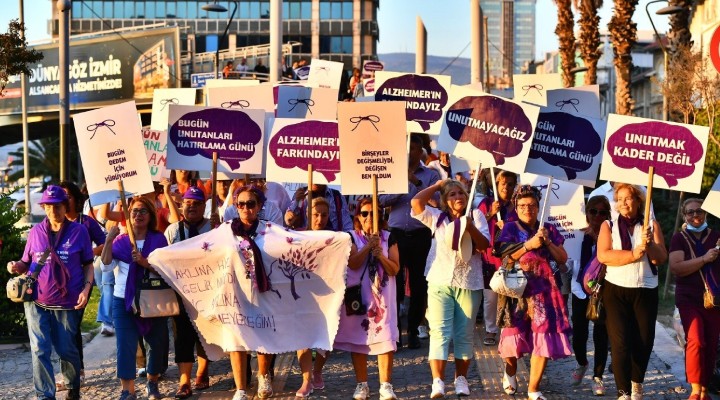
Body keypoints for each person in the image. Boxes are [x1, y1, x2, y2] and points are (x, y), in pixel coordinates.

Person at [6, 185, 95, 400]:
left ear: (66, 207)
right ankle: (45, 395)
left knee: (67, 349)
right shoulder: (36, 232)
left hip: (67, 302)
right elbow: (27, 262)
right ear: (44, 207)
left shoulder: (79, 231)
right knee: (39, 349)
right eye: (48, 206)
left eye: (57, 206)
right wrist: (16, 266)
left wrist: (86, 288)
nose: (53, 211)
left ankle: (73, 384)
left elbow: (88, 265)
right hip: (37, 300)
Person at [411, 179, 490, 398]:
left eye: (461, 193)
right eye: (452, 194)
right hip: (439, 280)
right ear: (446, 200)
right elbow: (416, 203)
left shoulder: (476, 216)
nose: (458, 198)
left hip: (469, 282)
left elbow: (484, 245)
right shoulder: (438, 218)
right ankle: (438, 381)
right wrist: (437, 185)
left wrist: (470, 226)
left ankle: (461, 379)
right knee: (439, 332)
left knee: (464, 334)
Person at [494, 184, 572, 400]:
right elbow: (505, 257)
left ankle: (533, 389)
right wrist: (528, 245)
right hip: (516, 291)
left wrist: (546, 241)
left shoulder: (548, 229)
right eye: (522, 205)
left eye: (531, 205)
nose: (527, 209)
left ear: (539, 207)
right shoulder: (509, 228)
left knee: (543, 337)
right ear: (516, 208)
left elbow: (562, 258)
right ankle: (510, 371)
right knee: (513, 340)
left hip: (544, 292)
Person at [597, 183, 667, 400]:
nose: (624, 203)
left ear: (638, 201)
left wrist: (649, 246)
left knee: (644, 341)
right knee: (620, 344)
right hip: (616, 289)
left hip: (645, 289)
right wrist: (633, 254)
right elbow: (604, 256)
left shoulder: (651, 225)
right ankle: (623, 392)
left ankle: (637, 382)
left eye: (629, 198)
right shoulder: (608, 225)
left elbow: (660, 258)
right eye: (620, 199)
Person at [101, 196, 170, 400]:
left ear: (151, 215)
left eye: (143, 211)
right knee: (125, 345)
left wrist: (144, 262)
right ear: (128, 216)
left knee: (156, 343)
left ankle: (153, 382)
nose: (138, 215)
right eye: (134, 212)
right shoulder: (121, 241)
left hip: (152, 298)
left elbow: (166, 269)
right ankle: (127, 390)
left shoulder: (159, 239)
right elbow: (106, 265)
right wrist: (108, 240)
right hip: (123, 300)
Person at [379, 133, 441, 349]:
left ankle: (413, 330)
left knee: (418, 285)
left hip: (420, 235)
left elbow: (437, 202)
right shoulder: (392, 172)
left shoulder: (431, 175)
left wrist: (415, 181)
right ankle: (395, 332)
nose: (410, 153)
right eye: (407, 149)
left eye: (413, 149)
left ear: (420, 151)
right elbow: (382, 199)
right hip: (396, 235)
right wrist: (401, 184)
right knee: (393, 285)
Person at [334, 197, 400, 400]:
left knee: (385, 337)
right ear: (358, 217)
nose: (369, 217)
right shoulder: (350, 237)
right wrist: (367, 247)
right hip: (360, 296)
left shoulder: (390, 237)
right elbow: (353, 263)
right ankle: (362, 384)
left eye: (374, 212)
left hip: (383, 297)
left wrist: (380, 255)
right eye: (365, 213)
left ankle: (385, 385)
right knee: (359, 338)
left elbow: (394, 268)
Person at [164, 187, 218, 398]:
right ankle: (184, 379)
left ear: (204, 206)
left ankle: (203, 370)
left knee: (204, 333)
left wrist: (219, 230)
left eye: (197, 203)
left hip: (207, 290)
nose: (192, 206)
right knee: (182, 335)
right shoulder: (172, 230)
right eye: (188, 203)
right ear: (182, 205)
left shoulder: (213, 227)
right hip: (181, 292)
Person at [226, 185, 276, 400]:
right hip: (235, 291)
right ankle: (241, 388)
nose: (246, 208)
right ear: (236, 207)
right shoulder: (226, 231)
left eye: (251, 204)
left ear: (259, 206)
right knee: (236, 338)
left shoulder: (271, 230)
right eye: (241, 204)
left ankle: (264, 377)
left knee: (264, 333)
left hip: (263, 290)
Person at [669, 198, 720, 400]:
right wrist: (704, 259)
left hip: (714, 299)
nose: (695, 215)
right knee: (696, 340)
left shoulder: (716, 237)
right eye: (690, 212)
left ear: (706, 213)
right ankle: (695, 388)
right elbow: (677, 268)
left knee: (711, 343)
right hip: (688, 297)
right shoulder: (679, 238)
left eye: (699, 211)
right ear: (684, 216)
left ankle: (705, 390)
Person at [59, 181, 107, 387]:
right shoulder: (54, 222)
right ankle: (74, 372)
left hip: (81, 283)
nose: (63, 200)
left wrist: (86, 253)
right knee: (63, 329)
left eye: (67, 195)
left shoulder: (86, 222)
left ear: (77, 199)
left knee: (71, 327)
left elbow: (105, 243)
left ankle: (74, 374)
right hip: (57, 283)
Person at [570, 196, 611, 395]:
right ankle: (582, 362)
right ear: (586, 213)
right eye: (593, 211)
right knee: (578, 334)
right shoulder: (577, 234)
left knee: (601, 335)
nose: (597, 216)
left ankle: (598, 377)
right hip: (579, 289)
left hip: (604, 292)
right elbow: (569, 262)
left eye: (603, 212)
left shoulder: (613, 234)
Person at [295, 197, 333, 397]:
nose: (319, 219)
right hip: (303, 293)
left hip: (328, 294)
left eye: (324, 215)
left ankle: (317, 370)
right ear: (308, 215)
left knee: (326, 338)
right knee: (303, 337)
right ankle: (306, 379)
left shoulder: (335, 237)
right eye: (315, 214)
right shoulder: (297, 236)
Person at [477, 170, 518, 347]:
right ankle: (491, 329)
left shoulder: (516, 206)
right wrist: (491, 214)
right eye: (503, 184)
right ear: (496, 184)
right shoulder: (487, 203)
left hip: (511, 257)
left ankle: (509, 329)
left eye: (510, 184)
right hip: (490, 257)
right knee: (490, 296)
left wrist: (508, 226)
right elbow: (477, 226)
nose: (507, 188)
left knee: (510, 294)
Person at [284, 184, 353, 232]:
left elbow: (347, 225)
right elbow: (290, 221)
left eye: (324, 215)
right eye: (316, 215)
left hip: (331, 243)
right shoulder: (300, 195)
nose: (319, 219)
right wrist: (296, 202)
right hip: (306, 242)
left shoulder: (337, 196)